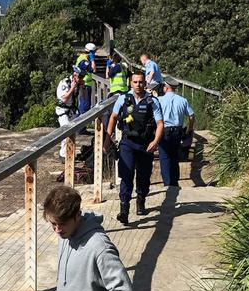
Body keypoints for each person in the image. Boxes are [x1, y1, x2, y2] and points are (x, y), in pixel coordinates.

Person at [106, 70, 164, 225]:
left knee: (144, 176)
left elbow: (160, 124)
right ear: (130, 83)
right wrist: (107, 138)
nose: (138, 85)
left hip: (146, 145)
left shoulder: (152, 101)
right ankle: (124, 210)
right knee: (126, 174)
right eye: (135, 82)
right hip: (127, 143)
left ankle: (141, 200)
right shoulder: (123, 99)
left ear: (145, 83)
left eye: (141, 82)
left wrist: (156, 141)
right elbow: (112, 117)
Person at [158, 75, 195, 187]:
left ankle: (167, 183)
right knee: (174, 157)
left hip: (164, 131)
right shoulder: (183, 100)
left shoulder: (159, 100)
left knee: (165, 157)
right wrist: (190, 128)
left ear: (166, 87)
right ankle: (174, 182)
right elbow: (191, 116)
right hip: (177, 131)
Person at [55, 66, 81, 159]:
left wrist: (84, 87)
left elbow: (83, 97)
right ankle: (63, 155)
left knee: (72, 133)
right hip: (63, 111)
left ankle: (69, 153)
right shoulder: (65, 83)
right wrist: (72, 88)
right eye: (79, 77)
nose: (81, 79)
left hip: (72, 111)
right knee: (66, 133)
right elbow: (64, 99)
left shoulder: (78, 84)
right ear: (74, 75)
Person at [77, 42, 97, 112]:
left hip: (85, 84)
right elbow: (93, 70)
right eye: (94, 52)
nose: (95, 54)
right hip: (84, 85)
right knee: (85, 105)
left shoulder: (82, 57)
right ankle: (83, 121)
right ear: (90, 52)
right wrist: (92, 60)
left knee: (85, 104)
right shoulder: (84, 60)